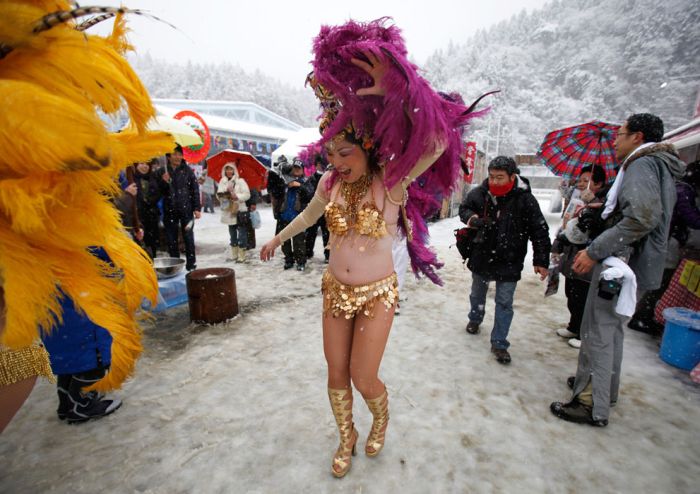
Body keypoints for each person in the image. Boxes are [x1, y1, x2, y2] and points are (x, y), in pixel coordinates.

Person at [261, 18, 481, 478]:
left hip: (377, 293)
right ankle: (346, 436)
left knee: (363, 376)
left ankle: (380, 417)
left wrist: (395, 89)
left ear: (366, 149)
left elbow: (438, 139)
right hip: (334, 291)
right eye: (331, 154)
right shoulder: (328, 183)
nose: (336, 162)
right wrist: (279, 238)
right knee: (335, 374)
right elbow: (310, 216)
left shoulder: (392, 181)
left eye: (345, 153)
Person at [551, 113, 685, 426]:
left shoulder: (642, 164)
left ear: (638, 137)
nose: (615, 141)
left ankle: (589, 403)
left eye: (621, 134)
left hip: (620, 264)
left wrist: (594, 250)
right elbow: (638, 213)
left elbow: (640, 219)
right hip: (635, 264)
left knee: (598, 333)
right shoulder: (659, 165)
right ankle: (602, 390)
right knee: (610, 332)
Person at [459, 156, 551, 364]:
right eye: (491, 176)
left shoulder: (525, 200)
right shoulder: (480, 193)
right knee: (477, 293)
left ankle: (499, 343)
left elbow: (539, 230)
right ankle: (475, 318)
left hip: (510, 259)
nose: (494, 181)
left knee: (504, 302)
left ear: (512, 176)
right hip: (482, 255)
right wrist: (473, 219)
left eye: (500, 177)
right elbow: (464, 209)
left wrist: (541, 259)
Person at [627, 160, 700, 335]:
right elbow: (692, 219)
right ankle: (642, 317)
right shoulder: (684, 191)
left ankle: (643, 315)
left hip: (666, 238)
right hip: (668, 240)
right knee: (661, 279)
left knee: (660, 279)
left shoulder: (677, 187)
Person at [553, 165, 607, 348]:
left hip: (587, 258)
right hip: (571, 255)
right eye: (580, 180)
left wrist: (594, 207)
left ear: (598, 184)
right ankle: (574, 326)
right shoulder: (577, 201)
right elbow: (567, 228)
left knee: (583, 298)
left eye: (586, 181)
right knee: (571, 294)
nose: (581, 184)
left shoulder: (605, 204)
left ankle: (584, 334)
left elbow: (600, 229)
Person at [158, 145, 201, 271]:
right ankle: (175, 265)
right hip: (169, 209)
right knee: (171, 239)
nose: (177, 157)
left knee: (188, 238)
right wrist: (163, 182)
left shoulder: (187, 171)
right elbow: (158, 192)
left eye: (180, 154)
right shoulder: (163, 171)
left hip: (186, 209)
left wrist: (197, 208)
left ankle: (191, 265)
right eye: (174, 154)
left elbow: (194, 189)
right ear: (168, 156)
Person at [277, 159, 311, 271]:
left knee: (299, 242)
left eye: (298, 168)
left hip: (298, 217)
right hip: (284, 216)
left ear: (302, 170)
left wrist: (299, 185)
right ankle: (288, 260)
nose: (296, 170)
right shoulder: (285, 179)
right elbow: (277, 192)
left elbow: (310, 194)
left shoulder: (306, 181)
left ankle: (300, 261)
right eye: (294, 167)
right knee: (285, 241)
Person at [217, 162, 251, 263]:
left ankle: (242, 256)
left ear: (234, 170)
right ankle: (234, 255)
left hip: (240, 210)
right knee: (232, 234)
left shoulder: (240, 181)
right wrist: (225, 195)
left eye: (231, 169)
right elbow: (218, 195)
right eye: (227, 169)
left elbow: (247, 194)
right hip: (229, 211)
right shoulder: (222, 181)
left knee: (242, 233)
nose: (229, 171)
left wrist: (237, 196)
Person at [133, 159, 163, 259]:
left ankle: (152, 262)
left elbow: (159, 193)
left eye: (147, 164)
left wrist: (164, 182)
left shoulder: (153, 178)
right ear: (136, 165)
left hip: (152, 216)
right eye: (141, 163)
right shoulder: (131, 179)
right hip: (138, 217)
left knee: (152, 244)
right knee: (139, 246)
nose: (145, 166)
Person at [304, 156, 331, 263]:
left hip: (326, 210)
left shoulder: (330, 177)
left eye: (322, 163)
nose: (321, 166)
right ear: (315, 165)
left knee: (327, 234)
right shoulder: (311, 179)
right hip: (315, 210)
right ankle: (308, 252)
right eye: (319, 164)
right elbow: (307, 193)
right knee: (311, 233)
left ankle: (328, 255)